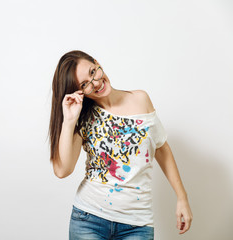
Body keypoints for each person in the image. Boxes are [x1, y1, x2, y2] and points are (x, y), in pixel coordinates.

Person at [48, 50, 193, 240]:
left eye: (93, 72)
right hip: (88, 220)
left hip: (137, 225)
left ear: (97, 62)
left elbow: (161, 148)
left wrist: (182, 198)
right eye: (85, 84)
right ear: (79, 91)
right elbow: (62, 170)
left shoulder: (141, 99)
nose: (96, 83)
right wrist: (69, 120)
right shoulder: (83, 117)